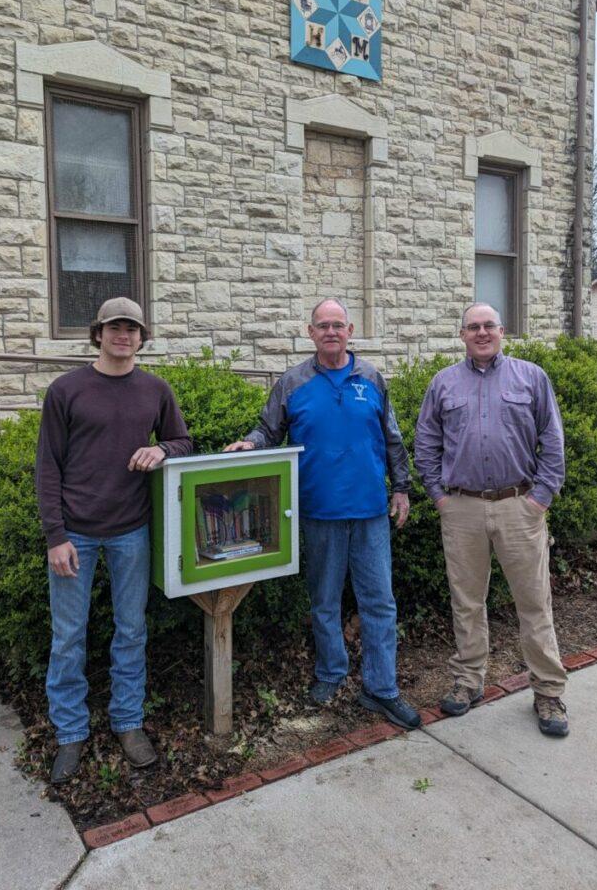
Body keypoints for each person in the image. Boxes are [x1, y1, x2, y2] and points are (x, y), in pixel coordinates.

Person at [225, 298, 420, 730]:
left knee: (379, 603)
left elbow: (393, 439)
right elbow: (268, 429)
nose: (331, 332)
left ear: (350, 330)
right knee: (324, 602)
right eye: (322, 326)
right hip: (317, 512)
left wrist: (402, 489)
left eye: (338, 325)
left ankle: (381, 688)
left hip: (370, 511)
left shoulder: (371, 378)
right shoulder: (292, 382)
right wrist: (250, 444)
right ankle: (331, 673)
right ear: (310, 332)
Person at [35, 297, 192, 783]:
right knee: (68, 638)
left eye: (132, 328)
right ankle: (70, 733)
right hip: (75, 535)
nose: (123, 335)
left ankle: (128, 723)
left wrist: (160, 448)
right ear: (97, 333)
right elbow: (47, 467)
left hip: (132, 532)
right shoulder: (66, 390)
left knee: (131, 632)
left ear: (143, 337)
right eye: (114, 327)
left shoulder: (155, 390)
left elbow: (184, 442)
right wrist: (55, 536)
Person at [414, 302, 569, 736]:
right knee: (466, 600)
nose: (481, 333)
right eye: (473, 327)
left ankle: (549, 691)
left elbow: (552, 441)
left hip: (519, 506)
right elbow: (425, 443)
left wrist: (539, 498)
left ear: (502, 331)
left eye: (489, 326)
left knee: (534, 602)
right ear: (461, 335)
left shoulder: (531, 377)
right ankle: (468, 679)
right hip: (461, 508)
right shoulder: (443, 384)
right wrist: (440, 498)